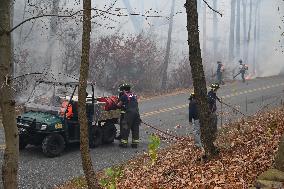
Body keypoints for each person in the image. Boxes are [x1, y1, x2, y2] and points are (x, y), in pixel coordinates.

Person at [116, 83, 141, 148]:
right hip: (137, 113)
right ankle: (135, 143)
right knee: (135, 128)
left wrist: (118, 104)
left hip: (129, 113)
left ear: (124, 90)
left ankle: (124, 143)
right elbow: (134, 103)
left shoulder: (124, 96)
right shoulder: (134, 95)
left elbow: (119, 105)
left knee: (125, 126)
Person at [207, 83, 221, 155]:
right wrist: (212, 99)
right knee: (213, 125)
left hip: (213, 112)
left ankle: (213, 137)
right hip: (211, 113)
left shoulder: (212, 93)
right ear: (214, 89)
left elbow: (215, 96)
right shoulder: (210, 95)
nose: (217, 90)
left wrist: (218, 99)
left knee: (214, 124)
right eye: (217, 89)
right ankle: (212, 139)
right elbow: (209, 99)